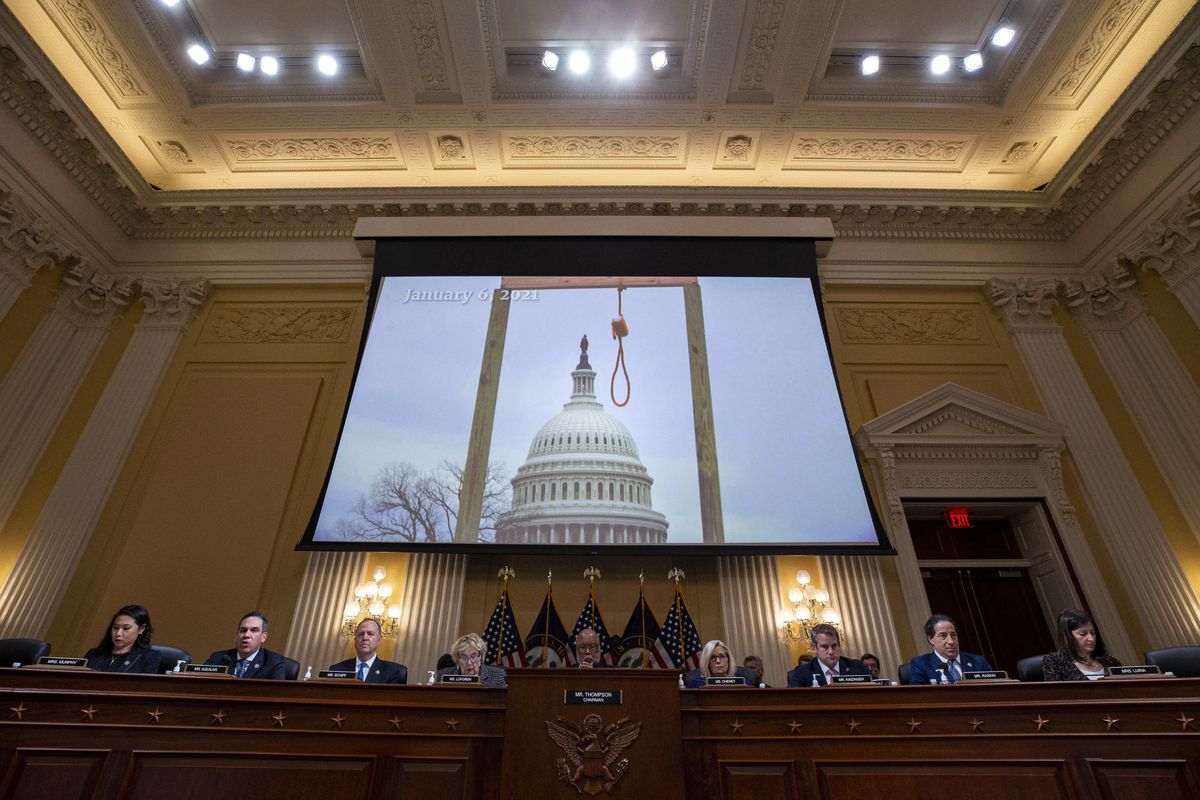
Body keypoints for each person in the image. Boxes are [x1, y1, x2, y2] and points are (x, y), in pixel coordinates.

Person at [907, 613, 993, 684]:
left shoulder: (978, 662)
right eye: (943, 636)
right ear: (931, 639)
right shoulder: (921, 664)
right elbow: (919, 697)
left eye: (953, 635)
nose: (951, 641)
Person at [204, 611, 291, 679]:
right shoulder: (218, 658)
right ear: (236, 636)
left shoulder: (274, 662)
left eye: (254, 630)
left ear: (263, 637)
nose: (246, 635)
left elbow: (274, 695)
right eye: (243, 630)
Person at [1041, 608, 1121, 681]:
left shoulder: (1111, 662)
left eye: (1092, 633)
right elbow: (1056, 694)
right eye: (1083, 634)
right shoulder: (1055, 662)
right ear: (1068, 636)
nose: (1091, 638)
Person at [85, 604, 162, 674]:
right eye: (115, 627)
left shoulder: (149, 657)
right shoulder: (93, 654)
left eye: (126, 628)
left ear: (141, 629)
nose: (118, 633)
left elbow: (144, 687)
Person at [787, 624, 870, 686]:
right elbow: (791, 700)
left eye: (834, 646)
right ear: (814, 648)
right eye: (825, 647)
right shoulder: (803, 672)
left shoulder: (858, 667)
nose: (831, 652)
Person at [328, 618, 407, 683]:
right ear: (355, 639)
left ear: (379, 639)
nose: (365, 638)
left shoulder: (393, 672)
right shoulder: (337, 669)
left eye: (370, 634)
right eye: (361, 634)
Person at [435, 633, 507, 687]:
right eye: (464, 657)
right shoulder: (443, 675)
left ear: (480, 658)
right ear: (458, 660)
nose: (469, 663)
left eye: (473, 656)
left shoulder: (497, 675)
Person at [683, 640, 756, 687]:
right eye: (712, 657)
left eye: (722, 656)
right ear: (707, 662)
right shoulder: (696, 685)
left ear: (728, 660)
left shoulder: (745, 684)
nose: (718, 661)